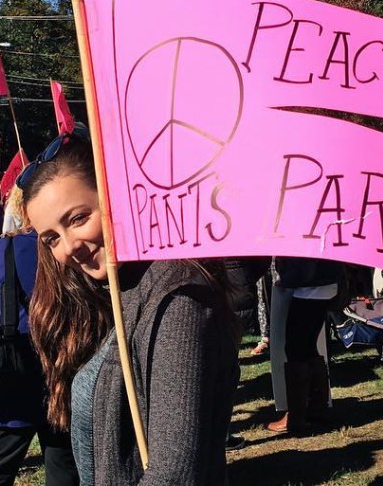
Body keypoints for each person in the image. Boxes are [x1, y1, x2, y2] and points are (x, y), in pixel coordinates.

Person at [18, 127, 239, 485]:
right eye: (52, 238)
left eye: (78, 219)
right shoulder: (120, 292)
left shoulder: (178, 299)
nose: (69, 246)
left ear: (115, 196)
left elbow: (173, 475)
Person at [0, 226, 78, 486]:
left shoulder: (6, 249)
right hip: (63, 373)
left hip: (9, 376)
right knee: (65, 472)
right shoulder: (71, 245)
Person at [266, 256, 341, 436]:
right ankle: (317, 408)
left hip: (309, 282)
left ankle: (297, 417)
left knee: (295, 348)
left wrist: (286, 275)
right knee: (307, 346)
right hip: (324, 279)